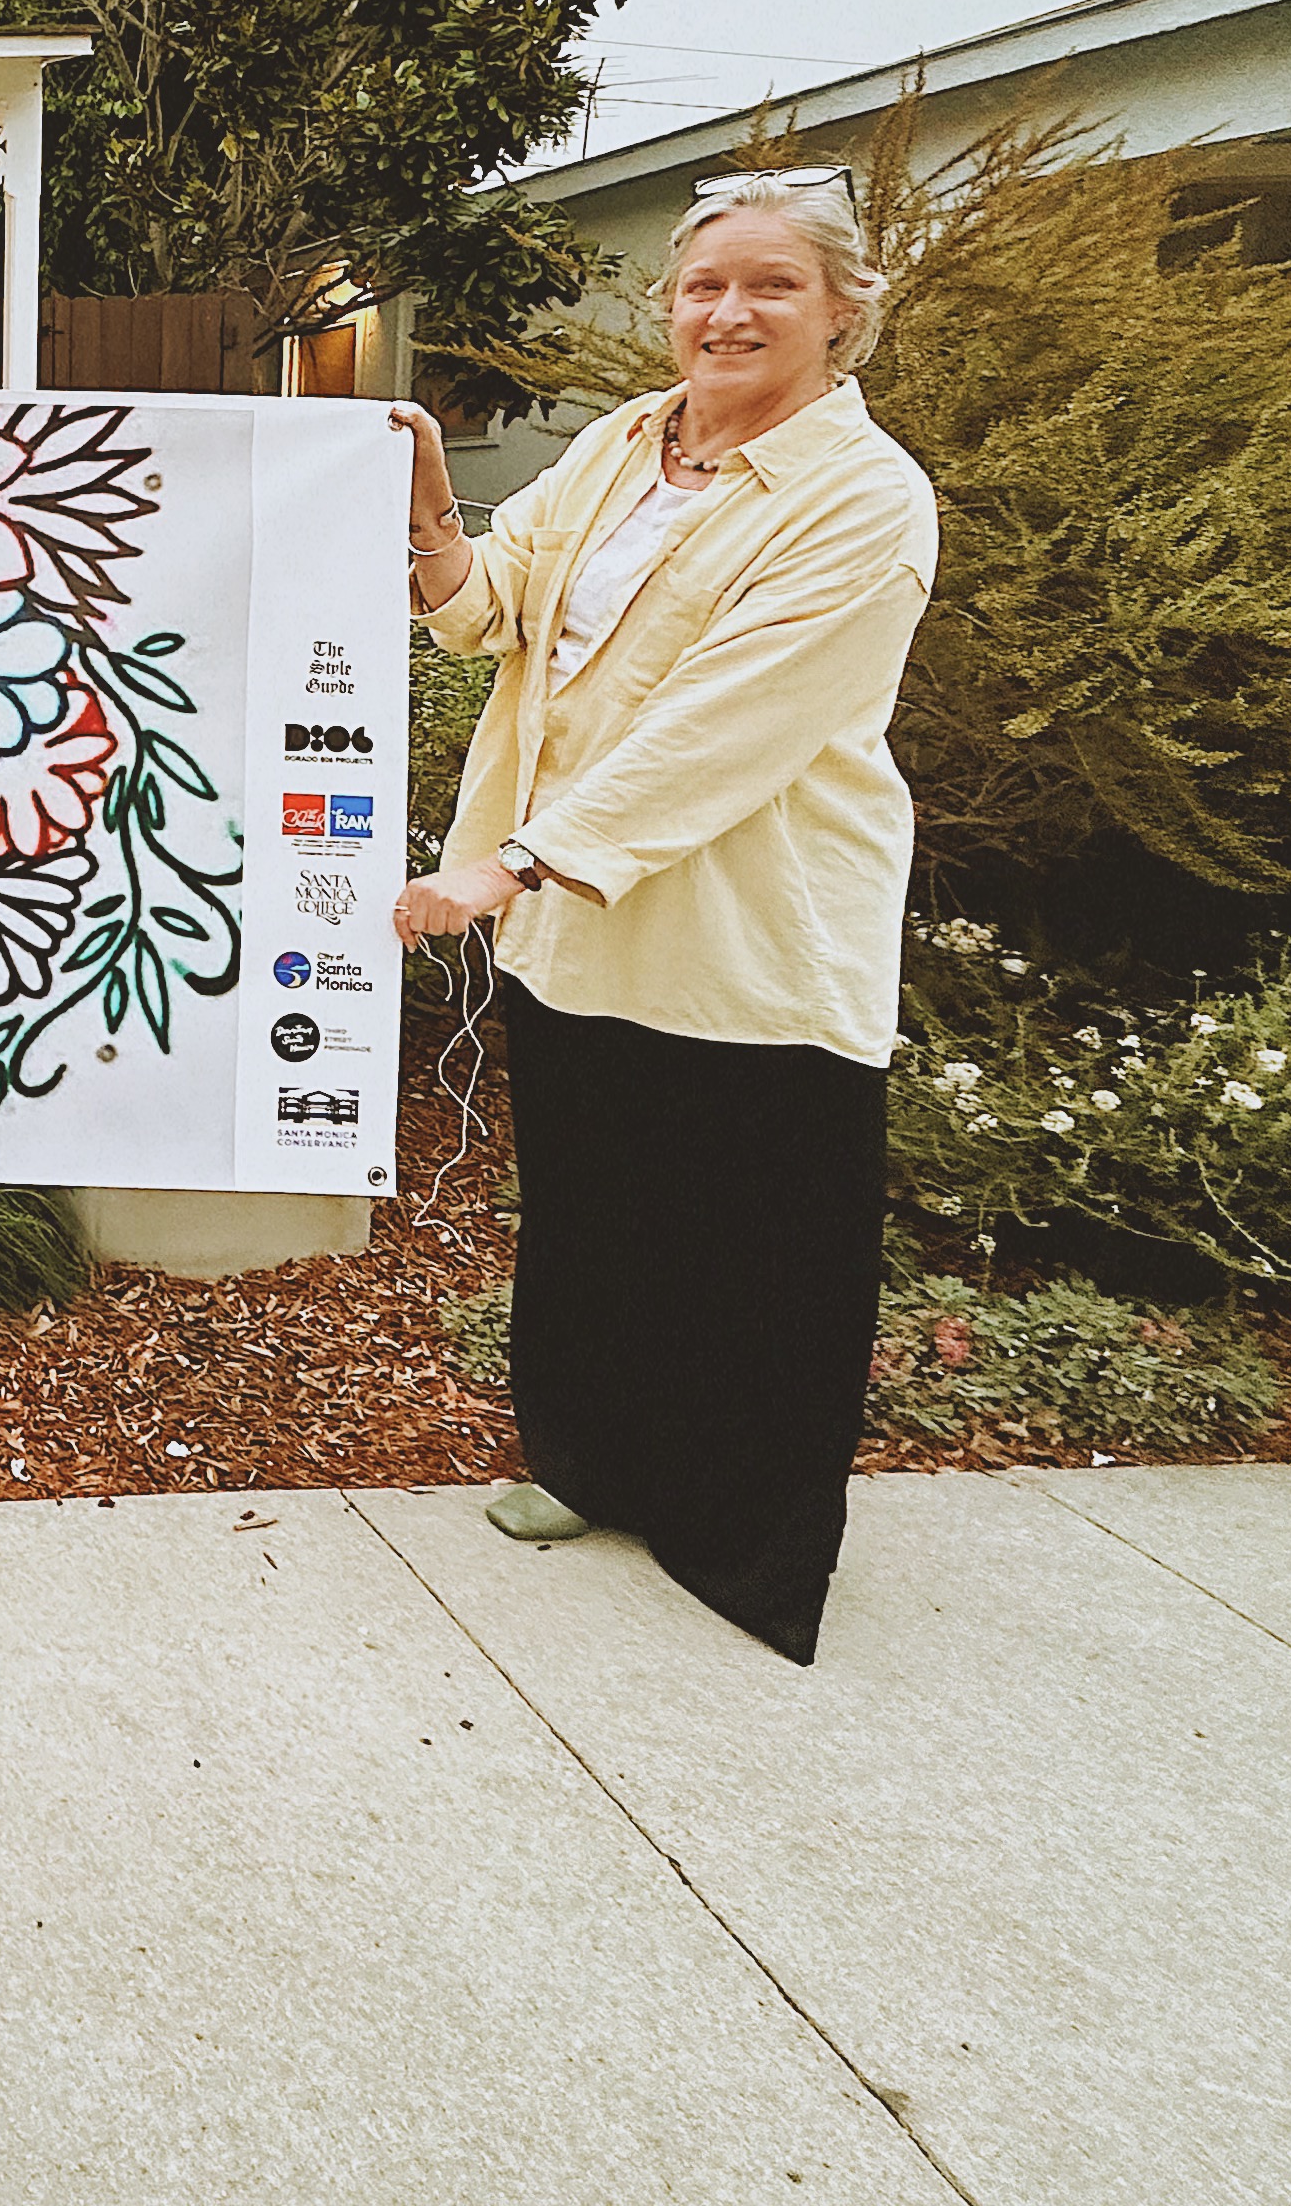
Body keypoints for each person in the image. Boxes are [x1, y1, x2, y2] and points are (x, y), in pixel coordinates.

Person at [389, 168, 938, 1664]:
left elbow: (725, 724)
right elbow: (494, 604)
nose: (729, 311)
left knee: (754, 1235)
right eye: (705, 285)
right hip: (579, 922)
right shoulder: (633, 443)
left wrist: (507, 865)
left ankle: (738, 1534)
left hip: (746, 935)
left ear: (841, 311)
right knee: (596, 1207)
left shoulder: (862, 500)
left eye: (771, 285)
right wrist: (431, 486)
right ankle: (587, 1458)